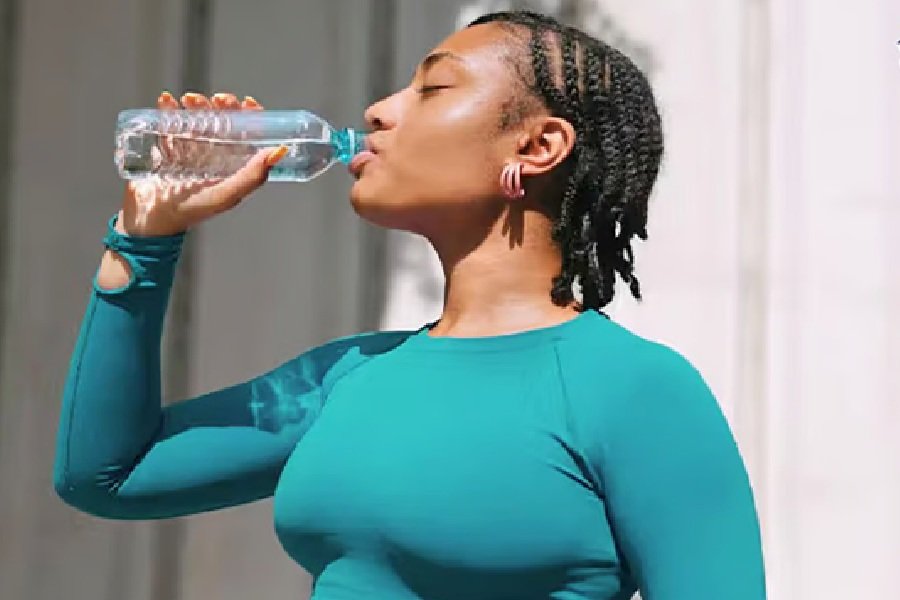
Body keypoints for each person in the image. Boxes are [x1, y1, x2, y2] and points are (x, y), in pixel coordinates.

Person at [53, 10, 766, 600]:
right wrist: (145, 240)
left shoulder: (636, 390)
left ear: (538, 145)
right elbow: (108, 475)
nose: (379, 111)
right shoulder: (349, 375)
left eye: (433, 88)